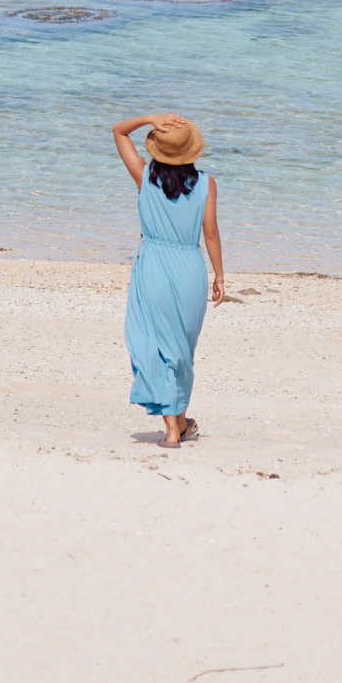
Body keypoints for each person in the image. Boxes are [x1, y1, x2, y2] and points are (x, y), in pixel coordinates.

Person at [111, 113, 228, 447]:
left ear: (157, 148)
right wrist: (219, 276)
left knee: (155, 346)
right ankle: (179, 422)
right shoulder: (206, 184)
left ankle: (174, 428)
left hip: (153, 270)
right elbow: (211, 234)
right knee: (180, 352)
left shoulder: (145, 176)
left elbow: (118, 132)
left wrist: (150, 117)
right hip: (190, 269)